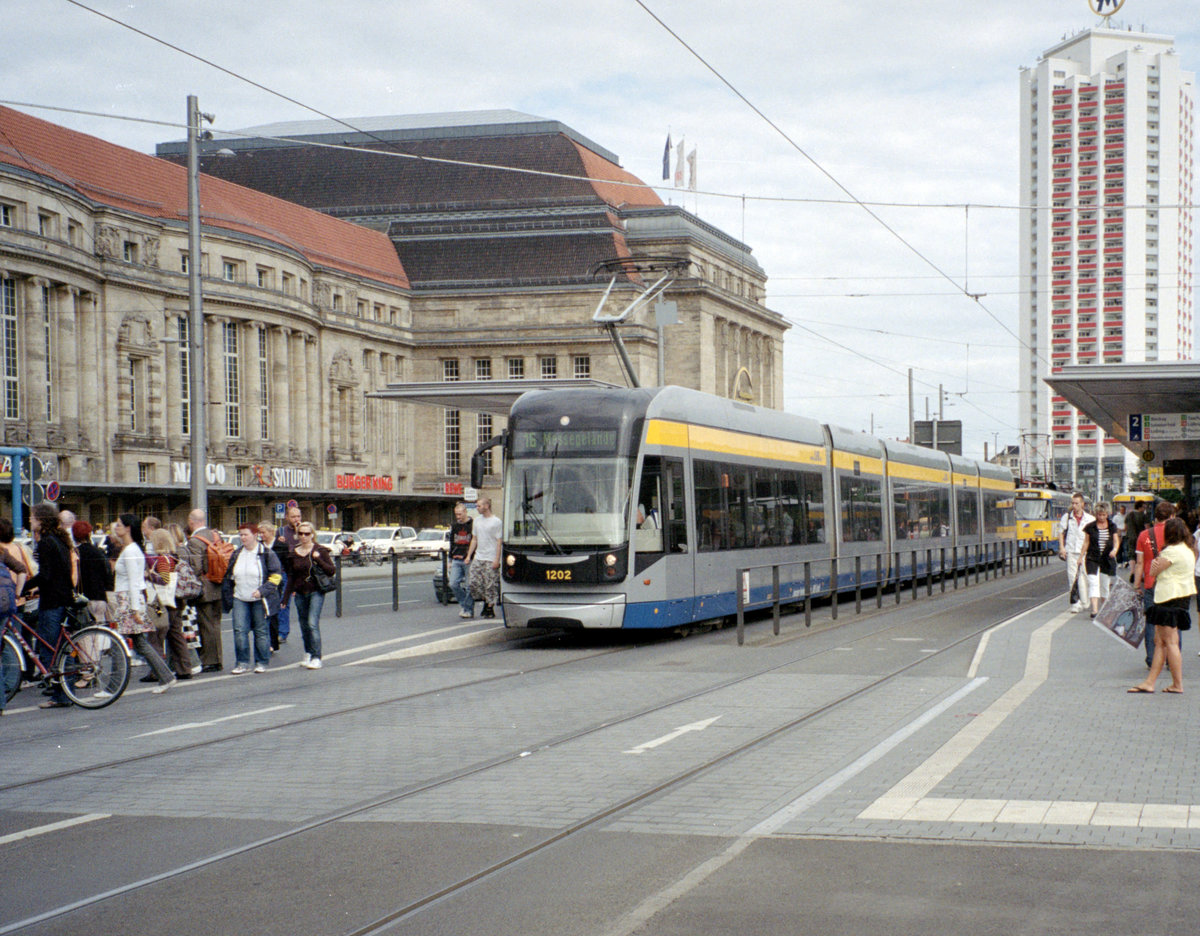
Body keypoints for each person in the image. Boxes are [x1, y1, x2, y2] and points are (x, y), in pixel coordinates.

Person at [1129, 518, 1198, 694]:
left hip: (1168, 598)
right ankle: (1150, 682)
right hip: (1180, 597)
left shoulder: (1172, 552)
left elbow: (1153, 572)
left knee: (1170, 642)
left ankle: (1177, 684)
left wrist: (1155, 563)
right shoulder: (1188, 550)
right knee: (1160, 641)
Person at [110, 513, 176, 694]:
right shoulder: (133, 549)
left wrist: (135, 610)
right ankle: (166, 676)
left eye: (119, 525)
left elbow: (133, 581)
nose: (116, 528)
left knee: (119, 642)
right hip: (131, 599)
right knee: (139, 643)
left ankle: (113, 687)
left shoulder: (131, 550)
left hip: (128, 600)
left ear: (128, 528)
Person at [27, 504, 76, 708]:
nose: (29, 520)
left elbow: (46, 575)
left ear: (40, 519)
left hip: (52, 601)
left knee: (50, 649)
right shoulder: (61, 539)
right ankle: (68, 692)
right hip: (64, 597)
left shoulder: (46, 542)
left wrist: (25, 587)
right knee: (62, 648)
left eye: (31, 517)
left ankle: (60, 695)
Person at [221, 523, 282, 675]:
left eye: (245, 534)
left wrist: (262, 591)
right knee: (239, 630)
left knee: (260, 631)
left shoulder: (266, 553)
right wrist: (228, 594)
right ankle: (242, 662)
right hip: (240, 597)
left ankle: (261, 661)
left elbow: (276, 576)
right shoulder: (237, 554)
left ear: (255, 535)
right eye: (240, 535)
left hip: (259, 599)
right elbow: (229, 576)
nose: (242, 538)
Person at [283, 520, 334, 670]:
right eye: (301, 533)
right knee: (304, 625)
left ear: (312, 534)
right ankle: (308, 653)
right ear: (297, 535)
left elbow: (331, 570)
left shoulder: (320, 550)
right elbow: (291, 577)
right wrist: (285, 598)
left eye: (307, 533)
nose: (304, 536)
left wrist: (318, 559)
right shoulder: (293, 553)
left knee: (312, 623)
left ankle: (317, 657)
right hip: (300, 593)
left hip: (316, 591)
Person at [1134, 501, 1178, 668]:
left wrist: (1137, 585)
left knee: (1152, 622)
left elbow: (1139, 563)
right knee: (1173, 621)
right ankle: (1172, 658)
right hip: (1173, 585)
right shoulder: (1176, 534)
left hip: (1151, 584)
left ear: (1156, 517)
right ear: (1172, 516)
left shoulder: (1144, 535)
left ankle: (1152, 658)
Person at [148, 528, 193, 680]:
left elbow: (165, 580)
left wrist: (149, 576)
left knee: (157, 636)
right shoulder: (173, 558)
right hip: (176, 602)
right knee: (176, 635)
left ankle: (157, 671)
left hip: (162, 604)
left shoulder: (161, 560)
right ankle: (184, 668)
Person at [183, 509, 225, 672]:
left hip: (205, 588)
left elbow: (196, 567)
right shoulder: (215, 535)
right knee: (215, 623)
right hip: (218, 584)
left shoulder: (194, 541)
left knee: (206, 625)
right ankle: (218, 658)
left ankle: (210, 660)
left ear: (191, 521)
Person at [1080, 502, 1120, 619]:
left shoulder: (1112, 526)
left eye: (1103, 515)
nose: (1101, 517)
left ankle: (1105, 609)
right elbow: (1086, 542)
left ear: (1107, 514)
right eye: (1099, 515)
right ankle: (1094, 610)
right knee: (1093, 582)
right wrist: (1080, 557)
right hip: (1092, 558)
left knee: (1104, 584)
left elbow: (1116, 541)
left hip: (1106, 558)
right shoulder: (1090, 527)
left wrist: (1115, 550)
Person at [1057, 493, 1094, 612]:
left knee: (1084, 576)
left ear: (1082, 504)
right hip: (1071, 550)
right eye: (1072, 503)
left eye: (1077, 503)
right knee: (1072, 577)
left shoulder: (1089, 519)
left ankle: (1084, 600)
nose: (1074, 505)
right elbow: (1061, 533)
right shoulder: (1067, 517)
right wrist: (1062, 548)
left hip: (1085, 552)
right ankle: (1075, 603)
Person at [467, 497, 502, 619]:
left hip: (491, 557)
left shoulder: (496, 521)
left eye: (479, 506)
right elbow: (474, 539)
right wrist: (468, 555)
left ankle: (489, 607)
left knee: (490, 584)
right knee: (474, 582)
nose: (477, 508)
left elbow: (499, 541)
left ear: (486, 506)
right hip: (479, 556)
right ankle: (485, 600)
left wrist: (497, 559)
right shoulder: (476, 521)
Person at [73, 520, 112, 625]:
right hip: (100, 597)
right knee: (100, 631)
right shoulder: (98, 552)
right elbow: (107, 574)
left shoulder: (75, 553)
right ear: (89, 534)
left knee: (85, 634)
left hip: (83, 598)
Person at [259, 521, 288, 652]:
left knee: (274, 611)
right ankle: (266, 641)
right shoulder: (258, 546)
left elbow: (288, 566)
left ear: (271, 532)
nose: (261, 535)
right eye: (259, 532)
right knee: (264, 612)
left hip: (278, 581)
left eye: (263, 532)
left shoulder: (281, 545)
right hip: (262, 582)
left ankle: (273, 641)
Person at [448, 503, 474, 619]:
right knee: (453, 583)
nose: (458, 517)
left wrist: (470, 556)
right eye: (456, 514)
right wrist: (449, 559)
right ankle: (465, 605)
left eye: (459, 514)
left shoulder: (472, 525)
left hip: (469, 558)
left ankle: (468, 609)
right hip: (456, 558)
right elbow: (452, 543)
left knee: (469, 585)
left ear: (465, 512)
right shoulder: (454, 526)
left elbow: (475, 541)